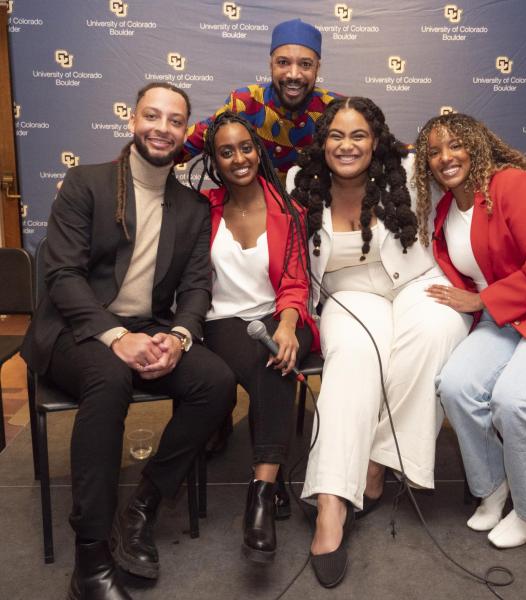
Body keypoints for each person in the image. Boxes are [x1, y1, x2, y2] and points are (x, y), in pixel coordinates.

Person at [21, 83, 236, 600]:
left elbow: (197, 285)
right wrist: (114, 336)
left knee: (216, 380)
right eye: (152, 116)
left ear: (186, 132)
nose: (162, 128)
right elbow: (64, 275)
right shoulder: (86, 182)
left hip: (147, 327)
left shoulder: (190, 206)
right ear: (132, 121)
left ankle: (142, 504)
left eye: (175, 120)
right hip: (76, 328)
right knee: (109, 375)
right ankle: (91, 556)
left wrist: (180, 337)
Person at [290, 97, 471, 587]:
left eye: (359, 136)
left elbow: (468, 163)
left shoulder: (412, 170)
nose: (347, 146)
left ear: (377, 140)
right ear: (323, 140)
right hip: (348, 291)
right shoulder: (298, 184)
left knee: (438, 330)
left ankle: (375, 463)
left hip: (415, 283)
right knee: (353, 355)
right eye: (336, 136)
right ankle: (331, 502)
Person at [414, 112, 526, 548]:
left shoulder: (510, 184)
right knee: (456, 385)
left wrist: (483, 301)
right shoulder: (444, 209)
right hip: (501, 323)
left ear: (476, 145)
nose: (446, 157)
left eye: (455, 145)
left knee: (515, 399)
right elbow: (463, 274)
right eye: (434, 152)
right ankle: (493, 485)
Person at [196, 111, 317, 563]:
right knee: (274, 368)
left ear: (259, 150)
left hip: (283, 314)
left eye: (245, 147)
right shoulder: (202, 208)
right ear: (214, 160)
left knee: (277, 358)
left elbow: (296, 282)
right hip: (224, 320)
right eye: (226, 151)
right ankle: (270, 487)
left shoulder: (289, 210)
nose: (239, 158)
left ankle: (260, 495)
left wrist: (287, 325)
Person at [182, 18, 342, 182]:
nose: (294, 74)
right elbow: (191, 141)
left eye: (305, 65)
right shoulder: (245, 102)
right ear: (271, 65)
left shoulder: (335, 109)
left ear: (317, 69)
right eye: (283, 63)